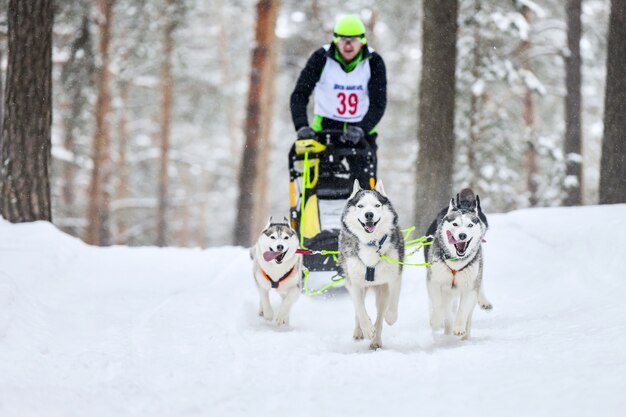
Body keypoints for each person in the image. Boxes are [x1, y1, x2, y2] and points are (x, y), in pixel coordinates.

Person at [290, 14, 387, 189]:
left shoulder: (374, 62)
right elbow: (300, 94)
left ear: (362, 41)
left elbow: (378, 103)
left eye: (353, 40)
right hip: (326, 128)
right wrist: (301, 126)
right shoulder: (320, 58)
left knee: (364, 189)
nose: (347, 45)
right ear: (335, 40)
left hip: (361, 131)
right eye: (343, 40)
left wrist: (362, 128)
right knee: (317, 185)